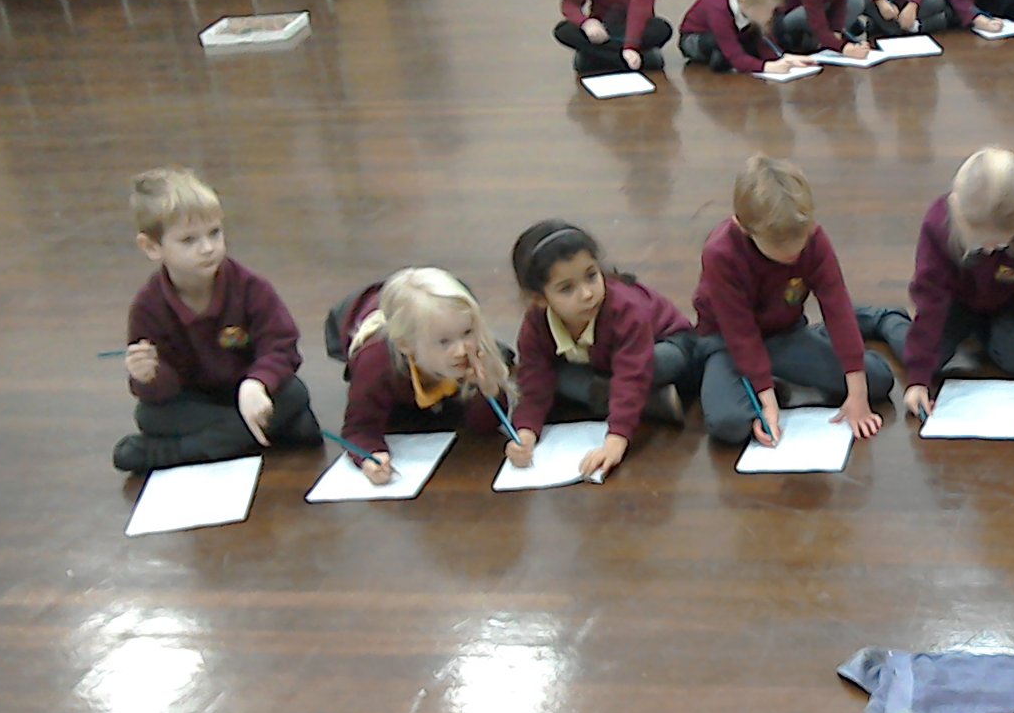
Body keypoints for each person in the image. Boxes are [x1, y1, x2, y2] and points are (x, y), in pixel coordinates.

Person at [113, 167, 319, 473]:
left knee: (294, 393)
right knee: (149, 415)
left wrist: (257, 382)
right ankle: (252, 434)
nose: (208, 248)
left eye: (214, 233)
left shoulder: (250, 287)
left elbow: (281, 345)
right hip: (195, 401)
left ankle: (177, 452)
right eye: (188, 240)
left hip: (248, 392)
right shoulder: (148, 307)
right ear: (152, 247)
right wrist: (148, 376)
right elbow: (164, 392)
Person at [691, 156, 899, 445]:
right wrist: (768, 403)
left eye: (801, 242)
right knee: (730, 424)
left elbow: (837, 308)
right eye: (780, 248)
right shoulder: (721, 254)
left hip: (784, 335)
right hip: (726, 343)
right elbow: (741, 334)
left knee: (876, 380)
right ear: (744, 228)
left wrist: (857, 393)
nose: (795, 256)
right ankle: (770, 383)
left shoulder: (813, 239)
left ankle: (789, 366)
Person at [505, 220, 700, 481]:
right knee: (556, 378)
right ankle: (651, 402)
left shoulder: (625, 309)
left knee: (653, 364)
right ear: (540, 299)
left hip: (667, 347)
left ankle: (630, 400)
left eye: (591, 275)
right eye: (567, 288)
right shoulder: (536, 324)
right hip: (605, 366)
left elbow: (632, 373)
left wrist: (615, 440)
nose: (587, 294)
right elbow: (533, 378)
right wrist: (526, 432)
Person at [896, 148, 1014, 418]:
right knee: (927, 357)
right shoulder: (937, 226)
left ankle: (982, 334)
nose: (989, 250)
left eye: (1000, 243)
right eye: (980, 241)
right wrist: (918, 378)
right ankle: (888, 321)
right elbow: (931, 301)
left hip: (1005, 306)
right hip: (955, 305)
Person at [331, 268, 513, 483]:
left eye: (467, 333)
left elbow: (485, 426)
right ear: (406, 346)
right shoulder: (375, 364)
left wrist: (488, 390)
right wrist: (371, 457)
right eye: (444, 341)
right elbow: (359, 429)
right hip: (352, 316)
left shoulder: (475, 350)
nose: (462, 350)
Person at [678, 0, 815, 76]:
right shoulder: (718, 7)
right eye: (768, 10)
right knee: (721, 43)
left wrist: (784, 58)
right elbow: (737, 56)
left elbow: (766, 40)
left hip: (737, 32)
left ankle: (725, 56)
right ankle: (722, 55)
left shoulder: (750, 10)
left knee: (750, 42)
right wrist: (767, 67)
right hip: (697, 39)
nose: (771, 15)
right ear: (744, 3)